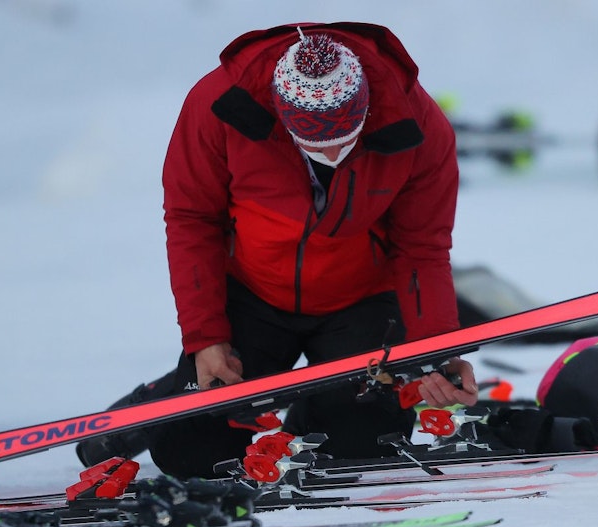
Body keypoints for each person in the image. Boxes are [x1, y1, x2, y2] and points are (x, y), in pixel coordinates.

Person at [83, 22, 479, 479]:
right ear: (280, 115)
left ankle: (320, 403)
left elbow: (421, 248)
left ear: (367, 110)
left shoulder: (418, 123)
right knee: (191, 458)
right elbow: (193, 221)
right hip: (252, 293)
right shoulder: (218, 105)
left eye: (345, 139)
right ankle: (166, 394)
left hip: (360, 300)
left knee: (363, 453)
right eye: (315, 143)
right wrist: (205, 339)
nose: (332, 154)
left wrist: (438, 353)